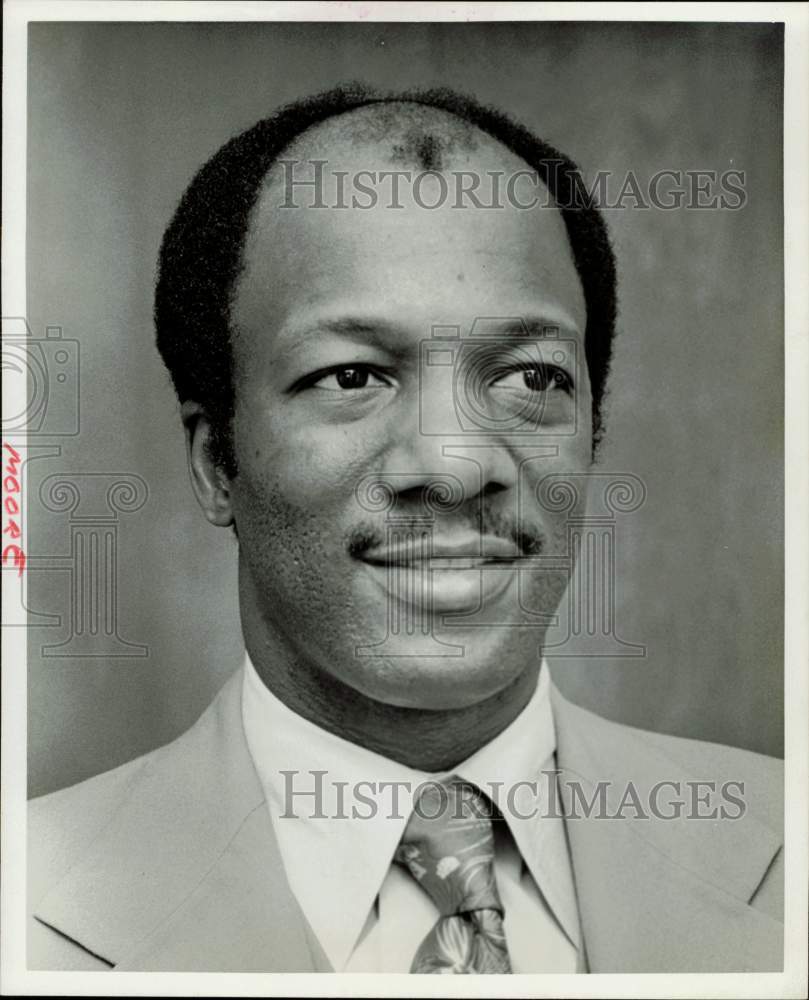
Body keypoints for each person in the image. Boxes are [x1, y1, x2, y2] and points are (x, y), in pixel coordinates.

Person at [27, 85, 783, 974]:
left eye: (531, 378)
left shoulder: (782, 847)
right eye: (351, 375)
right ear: (216, 462)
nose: (456, 466)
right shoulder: (29, 901)